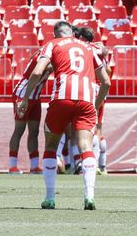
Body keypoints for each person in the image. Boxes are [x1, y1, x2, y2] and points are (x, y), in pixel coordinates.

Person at [21, 20, 110, 211]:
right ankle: (90, 195)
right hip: (86, 100)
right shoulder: (87, 46)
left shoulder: (52, 44)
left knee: (51, 146)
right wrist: (96, 104)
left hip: (61, 98)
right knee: (86, 146)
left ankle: (50, 197)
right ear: (71, 33)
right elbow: (107, 82)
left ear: (56, 34)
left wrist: (26, 98)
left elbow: (37, 72)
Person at [74, 26, 111, 173]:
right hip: (101, 91)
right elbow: (107, 67)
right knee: (98, 127)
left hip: (89, 90)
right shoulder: (99, 47)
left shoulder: (83, 48)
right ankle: (102, 166)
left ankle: (90, 164)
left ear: (82, 38)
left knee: (87, 128)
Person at [8, 52, 44, 174]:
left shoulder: (43, 53)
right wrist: (25, 99)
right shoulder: (45, 57)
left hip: (35, 96)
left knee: (34, 131)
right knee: (19, 129)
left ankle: (34, 166)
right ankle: (12, 166)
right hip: (23, 94)